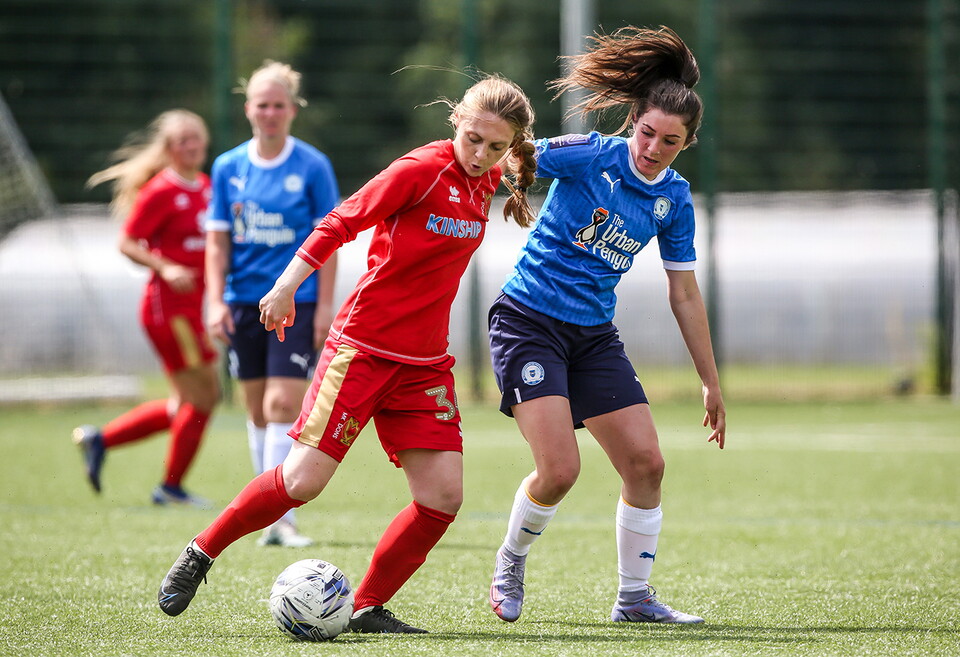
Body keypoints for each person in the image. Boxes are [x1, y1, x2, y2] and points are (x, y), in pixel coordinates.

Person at [157, 73, 538, 633]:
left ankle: (366, 606)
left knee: (443, 497)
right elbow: (342, 221)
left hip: (424, 365)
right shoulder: (419, 170)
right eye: (473, 139)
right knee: (302, 483)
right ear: (456, 121)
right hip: (362, 349)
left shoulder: (488, 181)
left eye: (496, 147)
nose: (481, 155)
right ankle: (201, 551)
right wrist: (288, 285)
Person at [487, 26, 727, 626]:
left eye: (670, 141)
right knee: (560, 470)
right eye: (647, 133)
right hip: (528, 323)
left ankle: (634, 599)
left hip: (593, 337)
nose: (653, 148)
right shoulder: (593, 154)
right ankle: (511, 559)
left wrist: (711, 382)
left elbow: (685, 292)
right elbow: (517, 151)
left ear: (687, 143)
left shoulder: (674, 199)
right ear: (633, 122)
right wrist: (517, 188)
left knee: (647, 464)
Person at [204, 60, 340, 547]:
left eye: (279, 105)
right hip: (242, 302)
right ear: (249, 110)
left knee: (282, 402)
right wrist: (214, 301)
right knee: (257, 411)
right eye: (262, 105)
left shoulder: (312, 166)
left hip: (295, 302)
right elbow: (218, 244)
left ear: (292, 110)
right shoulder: (227, 167)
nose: (270, 113)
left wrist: (324, 307)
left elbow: (330, 240)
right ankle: (263, 511)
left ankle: (280, 520)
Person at [73, 109, 219, 507]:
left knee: (184, 404)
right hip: (169, 311)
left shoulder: (206, 186)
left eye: (196, 138)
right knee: (206, 395)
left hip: (188, 311)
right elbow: (127, 242)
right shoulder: (161, 190)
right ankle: (170, 489)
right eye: (182, 140)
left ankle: (100, 440)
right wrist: (166, 267)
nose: (191, 146)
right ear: (170, 148)